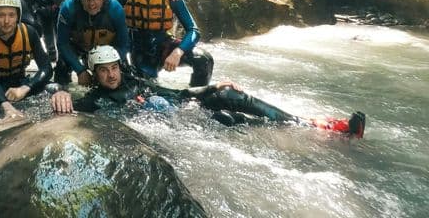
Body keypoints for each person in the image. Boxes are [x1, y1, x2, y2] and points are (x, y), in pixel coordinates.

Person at [50, 46, 366, 138]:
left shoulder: (134, 81)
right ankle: (305, 131)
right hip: (180, 126)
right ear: (95, 74)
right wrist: (58, 96)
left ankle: (310, 124)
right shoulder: (96, 99)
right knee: (226, 118)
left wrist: (211, 86)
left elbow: (176, 94)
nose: (110, 74)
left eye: (113, 67)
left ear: (120, 66)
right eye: (103, 70)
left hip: (184, 109)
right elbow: (71, 105)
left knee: (230, 95)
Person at [110, 0, 213, 86]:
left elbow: (193, 30)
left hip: (162, 44)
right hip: (137, 47)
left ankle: (198, 97)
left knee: (203, 59)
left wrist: (178, 52)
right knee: (145, 85)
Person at [55, 0, 130, 85]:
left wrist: (109, 64)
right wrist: (80, 70)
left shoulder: (115, 8)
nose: (91, 4)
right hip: (79, 46)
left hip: (107, 48)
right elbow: (62, 43)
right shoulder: (68, 8)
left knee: (123, 71)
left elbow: (124, 44)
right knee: (62, 65)